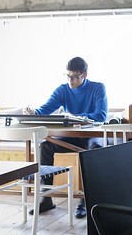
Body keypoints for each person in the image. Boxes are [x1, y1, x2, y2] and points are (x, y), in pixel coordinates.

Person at [23, 56, 107, 219]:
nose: (71, 80)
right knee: (45, 146)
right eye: (68, 76)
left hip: (91, 135)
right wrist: (34, 113)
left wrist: (74, 116)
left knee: (95, 149)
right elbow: (44, 109)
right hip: (69, 136)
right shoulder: (62, 90)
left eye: (75, 76)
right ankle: (46, 198)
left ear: (85, 75)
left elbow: (101, 115)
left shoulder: (98, 88)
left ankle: (86, 199)